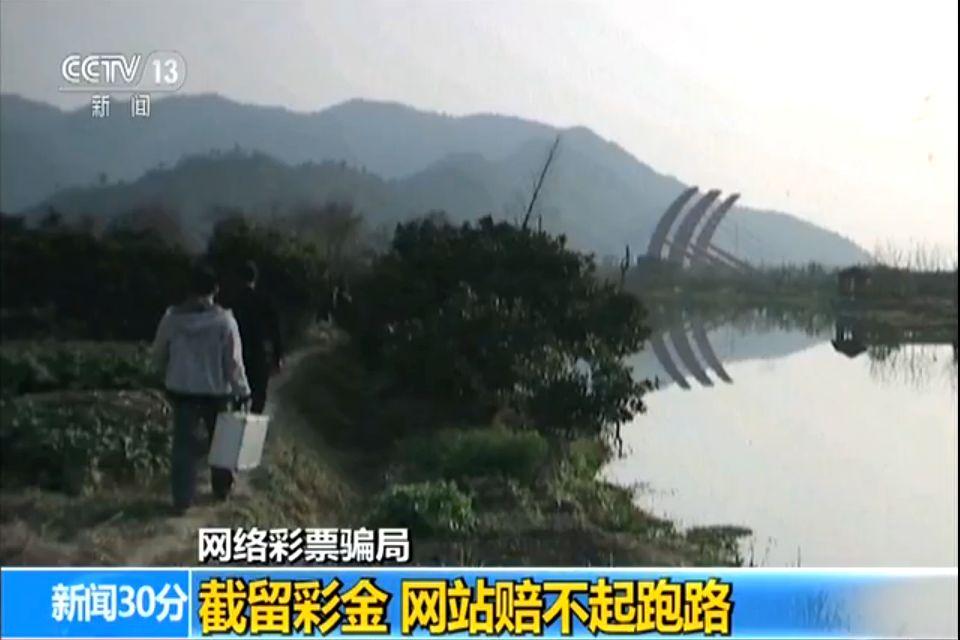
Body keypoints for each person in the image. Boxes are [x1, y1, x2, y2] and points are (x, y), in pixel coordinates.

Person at [152, 265, 251, 514]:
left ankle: (182, 498)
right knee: (222, 442)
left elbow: (159, 352)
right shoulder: (224, 321)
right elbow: (233, 361)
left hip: (182, 390)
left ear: (188, 288)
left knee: (183, 446)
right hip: (217, 392)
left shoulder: (172, 318)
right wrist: (242, 390)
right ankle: (222, 487)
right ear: (215, 289)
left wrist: (161, 374)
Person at [228, 261, 284, 414]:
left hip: (238, 352)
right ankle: (254, 423)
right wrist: (278, 355)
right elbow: (275, 329)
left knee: (237, 394)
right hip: (260, 353)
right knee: (259, 395)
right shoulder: (265, 300)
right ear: (255, 279)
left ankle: (237, 418)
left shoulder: (234, 301)